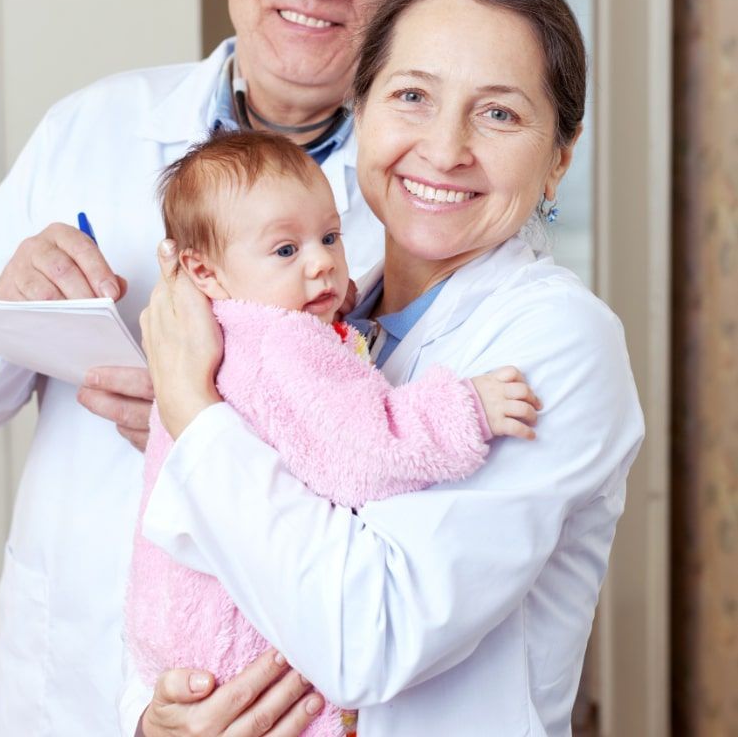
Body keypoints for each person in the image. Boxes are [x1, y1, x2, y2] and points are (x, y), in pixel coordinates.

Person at [0, 0, 438, 736]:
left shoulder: (427, 195)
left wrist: (215, 425)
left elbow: (412, 474)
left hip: (263, 686)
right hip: (71, 671)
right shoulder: (94, 124)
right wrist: (8, 295)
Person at [138, 0, 645, 736]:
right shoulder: (311, 321)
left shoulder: (558, 341)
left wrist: (192, 410)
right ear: (360, 109)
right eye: (412, 97)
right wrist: (161, 722)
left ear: (559, 158)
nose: (444, 150)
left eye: (499, 115)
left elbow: (362, 640)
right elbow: (176, 573)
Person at [125, 129, 541, 737]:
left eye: (328, 237)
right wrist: (465, 410)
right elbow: (363, 451)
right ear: (202, 271)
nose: (321, 261)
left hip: (179, 640)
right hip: (241, 646)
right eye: (285, 251)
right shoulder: (280, 344)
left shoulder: (227, 333)